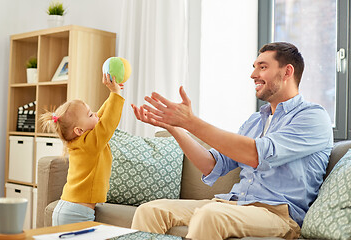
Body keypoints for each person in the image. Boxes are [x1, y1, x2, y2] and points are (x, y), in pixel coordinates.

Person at [130, 42, 333, 239]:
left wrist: (191, 122)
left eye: (262, 67)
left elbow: (257, 155)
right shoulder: (255, 121)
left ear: (287, 72)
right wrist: (176, 128)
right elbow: (211, 164)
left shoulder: (313, 117)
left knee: (210, 216)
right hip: (233, 204)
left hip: (278, 214)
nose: (253, 75)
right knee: (151, 210)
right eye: (254, 68)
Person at [40, 74, 125, 226]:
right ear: (79, 130)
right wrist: (116, 95)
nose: (96, 114)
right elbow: (108, 122)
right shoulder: (91, 142)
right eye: (90, 114)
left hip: (65, 207)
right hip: (77, 213)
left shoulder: (79, 142)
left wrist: (113, 94)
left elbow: (101, 115)